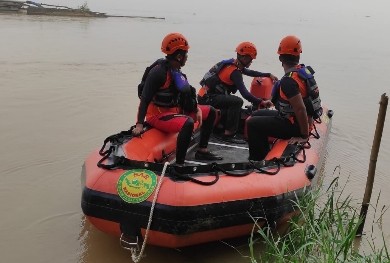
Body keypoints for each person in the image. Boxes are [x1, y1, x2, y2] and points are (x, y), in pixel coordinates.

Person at [132, 32, 222, 165]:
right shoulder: (158, 73)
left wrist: (196, 108)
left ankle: (202, 150)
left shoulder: (176, 71)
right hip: (158, 115)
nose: (187, 57)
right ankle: (180, 164)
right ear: (179, 56)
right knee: (188, 123)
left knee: (211, 111)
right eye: (186, 54)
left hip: (175, 110)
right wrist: (139, 124)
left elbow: (186, 94)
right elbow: (144, 99)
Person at [246, 35, 322, 161]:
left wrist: (304, 135)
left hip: (295, 125)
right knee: (256, 114)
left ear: (280, 58)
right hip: (294, 119)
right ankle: (265, 150)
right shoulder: (302, 72)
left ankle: (257, 161)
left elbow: (300, 109)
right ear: (298, 56)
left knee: (252, 124)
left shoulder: (289, 81)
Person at [197, 42, 277, 144]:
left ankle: (220, 126)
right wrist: (261, 102)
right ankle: (228, 134)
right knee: (237, 101)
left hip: (204, 96)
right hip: (208, 98)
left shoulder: (232, 64)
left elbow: (249, 72)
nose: (251, 61)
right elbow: (245, 94)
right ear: (244, 58)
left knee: (230, 100)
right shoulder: (235, 73)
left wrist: (268, 74)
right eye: (251, 59)